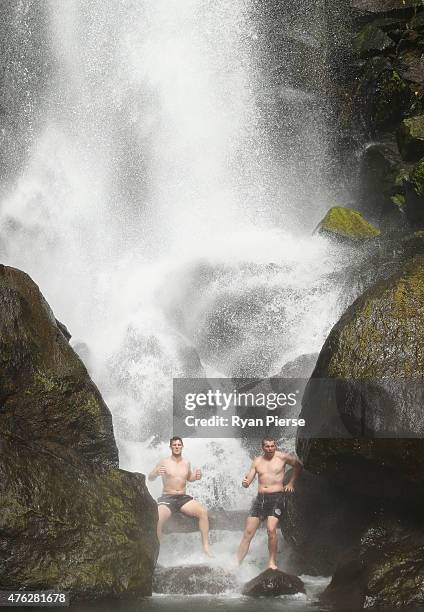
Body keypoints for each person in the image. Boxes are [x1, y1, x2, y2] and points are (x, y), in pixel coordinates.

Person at [237, 437, 302, 569]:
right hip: (260, 499)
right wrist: (246, 483)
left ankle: (272, 562)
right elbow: (249, 478)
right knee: (248, 532)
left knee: (271, 529)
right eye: (267, 446)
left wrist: (291, 483)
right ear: (263, 447)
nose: (270, 448)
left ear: (275, 446)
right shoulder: (257, 461)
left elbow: (298, 465)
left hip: (276, 498)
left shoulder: (282, 457)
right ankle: (236, 563)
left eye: (272, 446)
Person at [148, 436, 212, 556]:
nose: (177, 447)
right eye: (174, 445)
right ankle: (158, 551)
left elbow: (189, 478)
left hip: (182, 498)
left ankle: (206, 547)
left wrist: (196, 477)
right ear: (171, 447)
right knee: (158, 518)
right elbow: (150, 477)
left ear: (182, 446)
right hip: (167, 498)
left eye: (179, 445)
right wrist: (156, 473)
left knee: (203, 512)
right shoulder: (164, 462)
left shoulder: (186, 462)